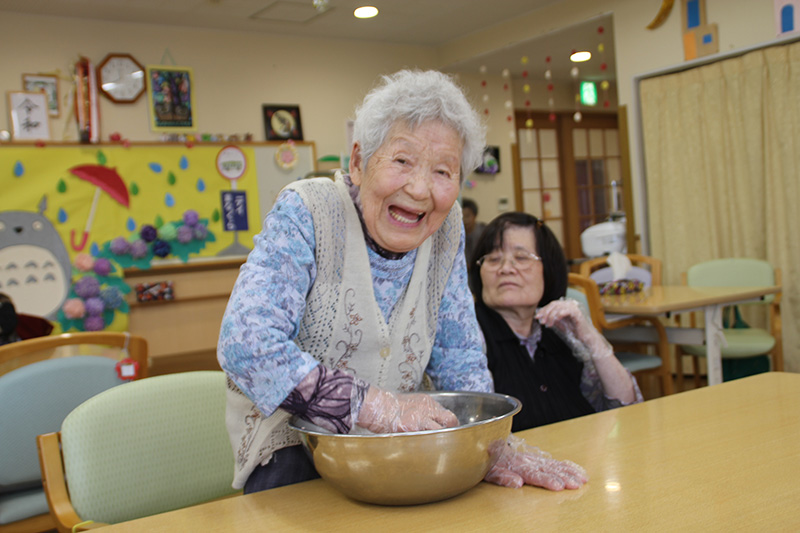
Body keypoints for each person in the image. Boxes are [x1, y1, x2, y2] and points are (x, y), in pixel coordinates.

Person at [218, 70, 587, 495]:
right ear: (358, 162)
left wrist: (492, 445)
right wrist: (377, 407)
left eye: (443, 171)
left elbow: (459, 354)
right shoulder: (308, 211)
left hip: (403, 450)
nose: (419, 188)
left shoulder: (446, 229)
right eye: (402, 161)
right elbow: (246, 343)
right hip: (297, 452)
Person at [468, 212, 642, 432]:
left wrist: (589, 336)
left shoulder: (561, 331)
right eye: (493, 259)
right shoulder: (468, 337)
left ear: (548, 269)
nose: (506, 268)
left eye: (521, 258)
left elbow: (625, 406)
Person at [461, 198, 485, 266]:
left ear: (475, 215)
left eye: (467, 216)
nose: (465, 220)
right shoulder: (456, 234)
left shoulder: (484, 231)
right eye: (461, 217)